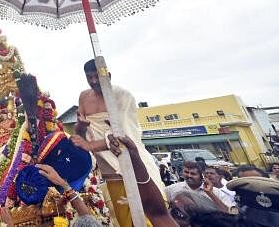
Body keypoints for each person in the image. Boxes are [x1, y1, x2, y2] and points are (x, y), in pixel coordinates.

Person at [71, 59, 164, 227]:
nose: (93, 81)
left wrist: (90, 146)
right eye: (89, 77)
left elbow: (126, 137)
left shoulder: (123, 95)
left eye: (96, 77)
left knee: (143, 217)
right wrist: (80, 128)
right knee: (117, 219)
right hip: (104, 170)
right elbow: (81, 135)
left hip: (128, 164)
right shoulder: (84, 97)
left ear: (108, 76)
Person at [165, 161, 234, 212]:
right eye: (186, 172)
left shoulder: (216, 192)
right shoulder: (171, 189)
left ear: (202, 176)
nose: (189, 175)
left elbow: (229, 212)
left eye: (193, 174)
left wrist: (210, 194)